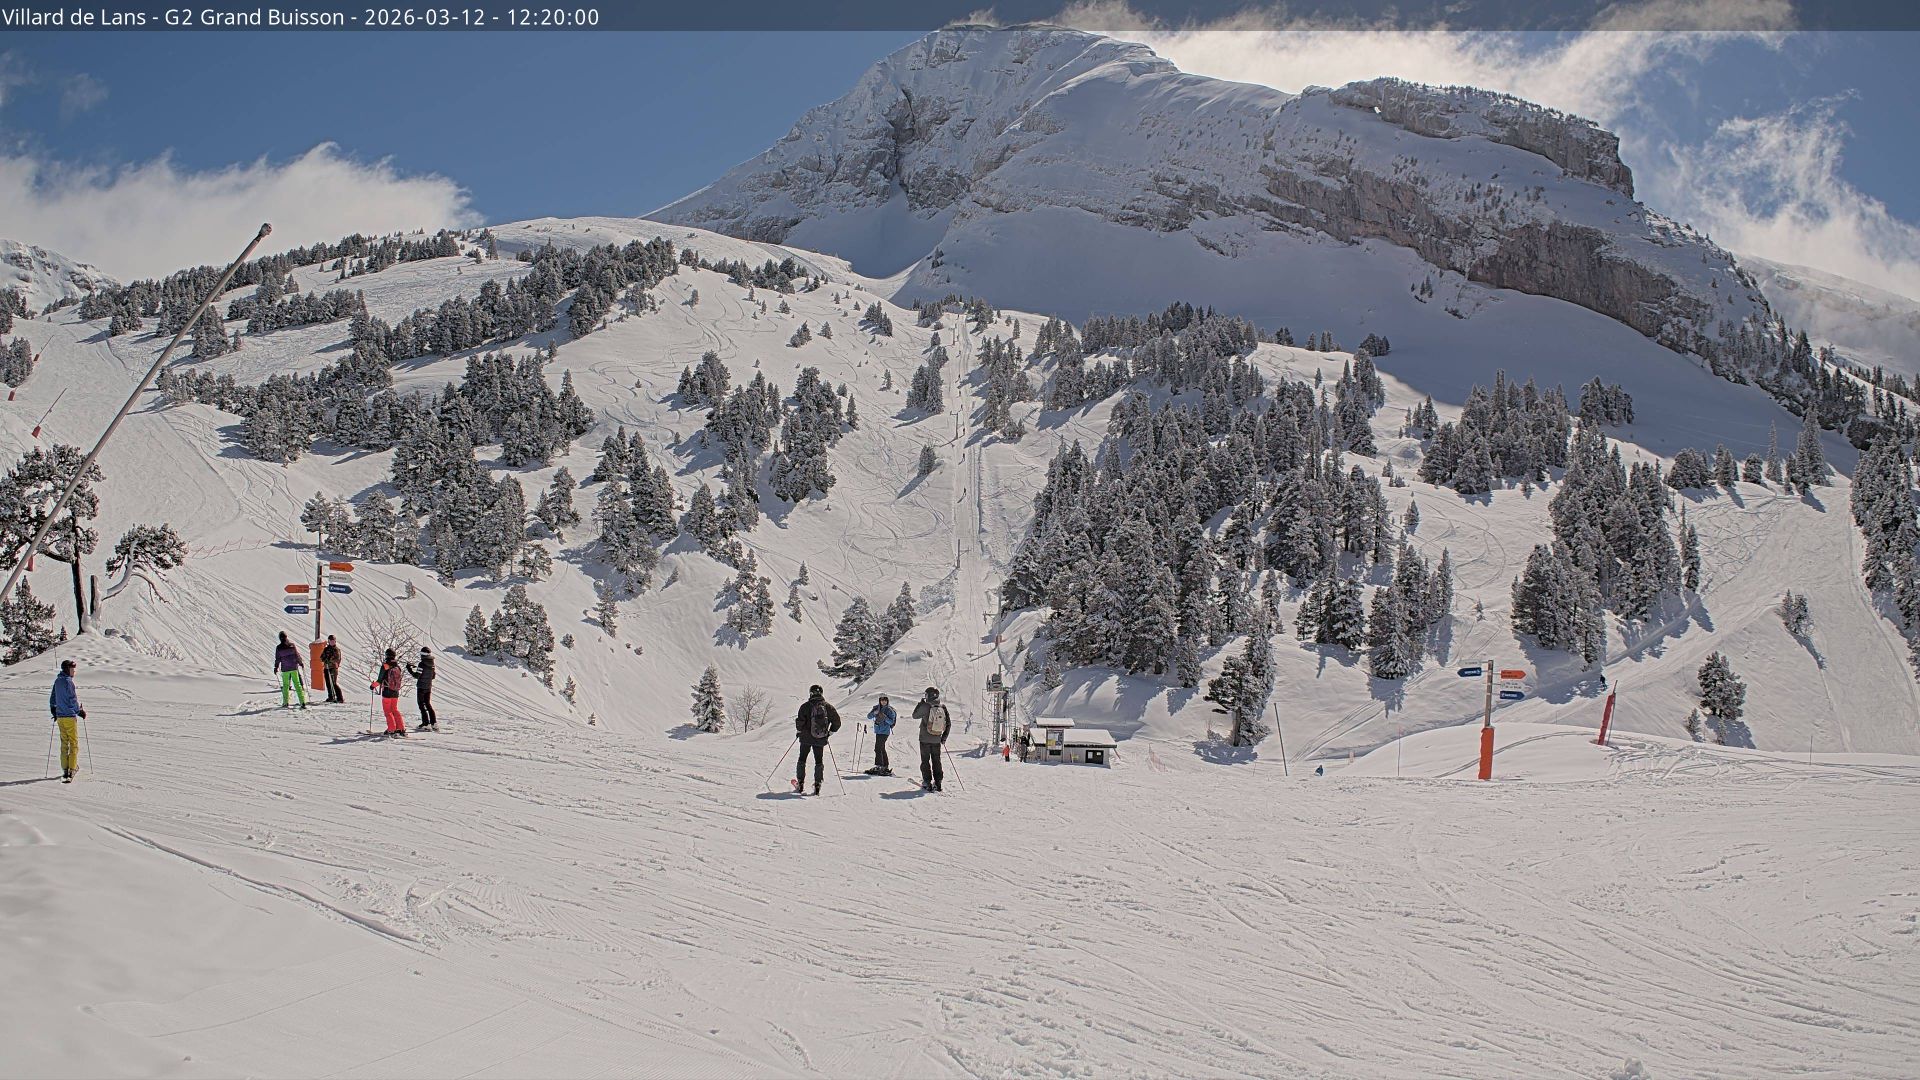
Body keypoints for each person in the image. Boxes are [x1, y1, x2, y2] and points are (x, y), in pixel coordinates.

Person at [792, 685, 840, 795]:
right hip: (820, 738)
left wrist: (799, 731)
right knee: (819, 761)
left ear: (811, 693)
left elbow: (800, 722)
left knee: (802, 759)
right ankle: (817, 785)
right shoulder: (828, 707)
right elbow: (837, 722)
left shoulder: (805, 706)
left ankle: (800, 783)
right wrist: (829, 733)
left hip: (805, 738)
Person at [49, 659, 84, 783]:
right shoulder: (69, 682)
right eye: (72, 669)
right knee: (73, 743)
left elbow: (53, 698)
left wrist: (54, 711)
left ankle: (65, 768)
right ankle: (72, 768)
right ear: (67, 669)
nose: (74, 671)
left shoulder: (57, 681)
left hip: (60, 718)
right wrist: (79, 711)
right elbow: (72, 699)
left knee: (64, 743)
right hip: (69, 717)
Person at [913, 686, 952, 791]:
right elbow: (948, 724)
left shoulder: (925, 706)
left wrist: (920, 703)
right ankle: (938, 782)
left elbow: (914, 715)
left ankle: (927, 782)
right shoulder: (942, 707)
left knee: (925, 761)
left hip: (924, 739)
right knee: (936, 760)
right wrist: (943, 738)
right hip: (937, 739)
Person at [371, 649, 406, 736]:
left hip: (387, 691)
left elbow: (379, 681)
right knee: (394, 710)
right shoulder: (397, 667)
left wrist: (372, 686)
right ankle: (400, 728)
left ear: (386, 656)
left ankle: (391, 729)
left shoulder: (385, 666)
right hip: (395, 692)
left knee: (387, 711)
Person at [405, 646, 438, 730]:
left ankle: (426, 723)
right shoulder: (432, 664)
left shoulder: (422, 664)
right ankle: (434, 723)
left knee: (421, 705)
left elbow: (417, 676)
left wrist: (409, 669)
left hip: (421, 687)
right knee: (428, 704)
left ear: (423, 654)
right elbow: (433, 676)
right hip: (428, 687)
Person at [274, 631, 308, 709]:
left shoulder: (279, 648)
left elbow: (278, 659)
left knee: (285, 686)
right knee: (297, 684)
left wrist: (276, 667)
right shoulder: (292, 645)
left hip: (285, 669)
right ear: (286, 637)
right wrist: (300, 663)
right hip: (294, 668)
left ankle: (285, 703)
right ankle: (302, 702)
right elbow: (297, 655)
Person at [864, 694, 896, 776]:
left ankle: (879, 766)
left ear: (887, 701)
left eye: (885, 700)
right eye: (882, 700)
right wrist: (874, 713)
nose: (883, 702)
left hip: (885, 732)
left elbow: (891, 722)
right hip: (878, 731)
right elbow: (869, 716)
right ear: (880, 701)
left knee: (878, 748)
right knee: (881, 748)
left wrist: (885, 717)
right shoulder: (876, 708)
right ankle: (885, 766)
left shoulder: (889, 710)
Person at [319, 635, 344, 703]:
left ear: (335, 641)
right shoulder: (326, 649)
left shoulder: (336, 649)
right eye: (331, 641)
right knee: (328, 683)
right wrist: (324, 659)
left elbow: (337, 659)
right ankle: (331, 697)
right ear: (329, 641)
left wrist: (330, 660)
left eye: (333, 641)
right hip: (326, 668)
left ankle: (340, 698)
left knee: (333, 683)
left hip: (333, 668)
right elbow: (321, 657)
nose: (332, 642)